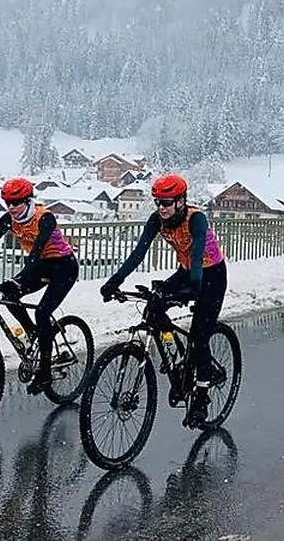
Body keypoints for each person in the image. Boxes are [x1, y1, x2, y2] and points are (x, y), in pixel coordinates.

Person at [100, 173, 226, 427]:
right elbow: (138, 253)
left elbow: (199, 248)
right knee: (153, 306)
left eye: (166, 202)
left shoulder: (196, 218)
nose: (161, 208)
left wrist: (194, 286)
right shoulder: (157, 220)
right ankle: (178, 359)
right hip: (186, 272)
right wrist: (115, 280)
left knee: (200, 336)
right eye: (158, 202)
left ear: (181, 201)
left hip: (210, 274)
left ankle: (202, 394)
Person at [0, 177, 80, 395]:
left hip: (63, 267)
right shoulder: (8, 219)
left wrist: (24, 274)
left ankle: (46, 373)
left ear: (28, 200)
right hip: (40, 265)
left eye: (16, 202)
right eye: (7, 203)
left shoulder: (44, 218)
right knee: (8, 292)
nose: (11, 207)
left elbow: (38, 250)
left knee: (42, 312)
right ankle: (33, 334)